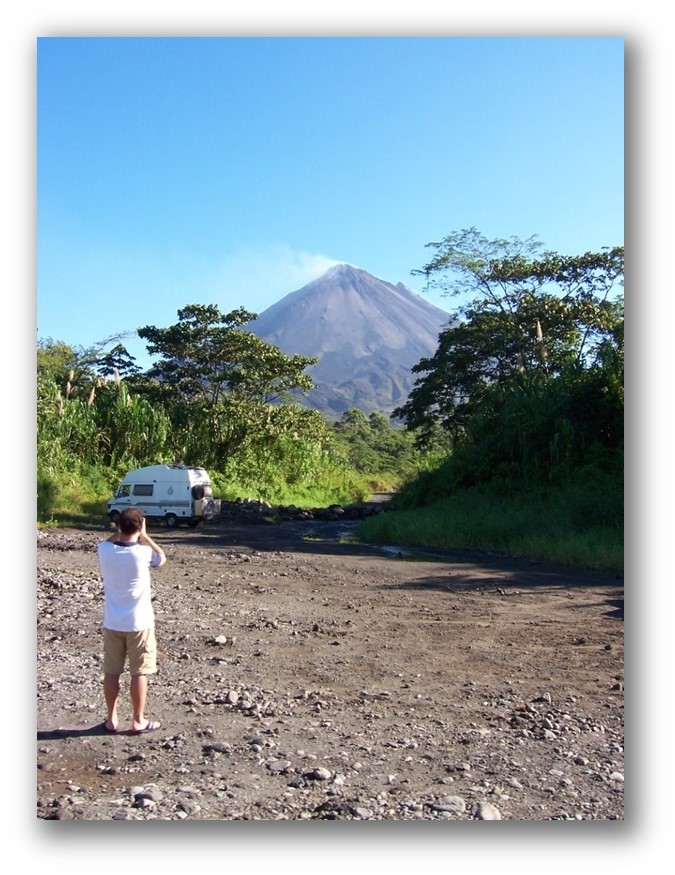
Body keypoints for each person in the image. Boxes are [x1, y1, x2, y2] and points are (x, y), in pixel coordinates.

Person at [97, 507, 166, 734]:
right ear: (140, 526)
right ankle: (138, 719)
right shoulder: (143, 554)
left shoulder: (105, 550)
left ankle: (110, 718)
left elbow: (108, 542)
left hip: (113, 621)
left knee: (112, 672)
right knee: (139, 672)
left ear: (119, 526)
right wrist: (145, 536)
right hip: (140, 622)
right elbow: (161, 558)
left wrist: (120, 531)